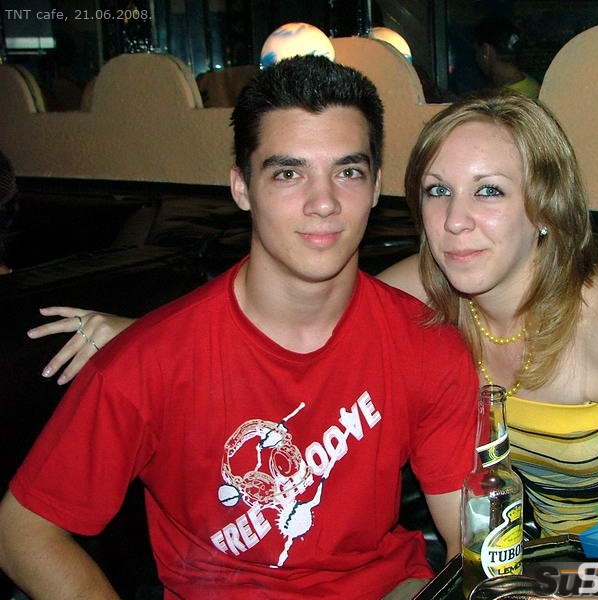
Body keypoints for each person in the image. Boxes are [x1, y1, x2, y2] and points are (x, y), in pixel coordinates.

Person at [28, 91, 598, 547]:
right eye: (438, 191)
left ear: (545, 208)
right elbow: (300, 319)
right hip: (557, 561)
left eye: (490, 192)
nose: (456, 221)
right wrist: (140, 336)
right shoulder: (431, 283)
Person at [0, 55, 478, 600]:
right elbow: (21, 531)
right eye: (288, 173)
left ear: (374, 188)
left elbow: (469, 541)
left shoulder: (428, 345)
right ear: (242, 188)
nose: (323, 202)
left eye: (348, 172)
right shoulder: (144, 364)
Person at [473, 16, 541, 99]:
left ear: (486, 50)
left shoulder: (502, 100)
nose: (476, 58)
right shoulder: (534, 85)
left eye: (476, 50)